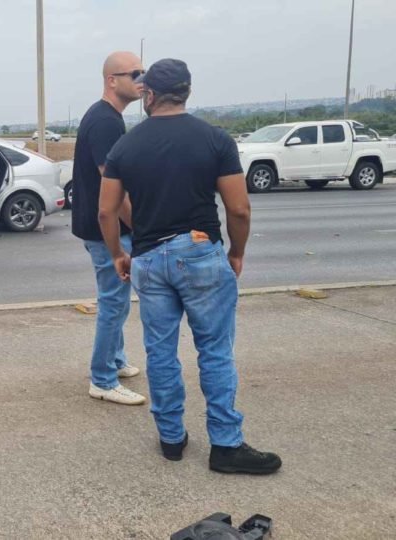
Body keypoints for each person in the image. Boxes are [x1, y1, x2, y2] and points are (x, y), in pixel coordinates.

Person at [98, 58, 282, 474]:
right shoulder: (214, 139)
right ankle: (226, 446)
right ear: (187, 92)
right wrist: (236, 252)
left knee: (160, 352)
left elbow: (106, 212)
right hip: (200, 253)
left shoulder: (126, 145)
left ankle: (171, 439)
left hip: (147, 257)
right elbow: (239, 207)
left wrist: (117, 255)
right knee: (215, 351)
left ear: (149, 95)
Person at [72, 51, 146, 406]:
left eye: (143, 73)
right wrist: (141, 225)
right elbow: (112, 185)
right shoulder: (105, 121)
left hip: (101, 226)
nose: (141, 79)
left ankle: (114, 361)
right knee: (114, 303)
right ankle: (101, 379)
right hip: (105, 228)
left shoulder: (107, 117)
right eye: (134, 73)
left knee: (117, 299)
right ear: (111, 80)